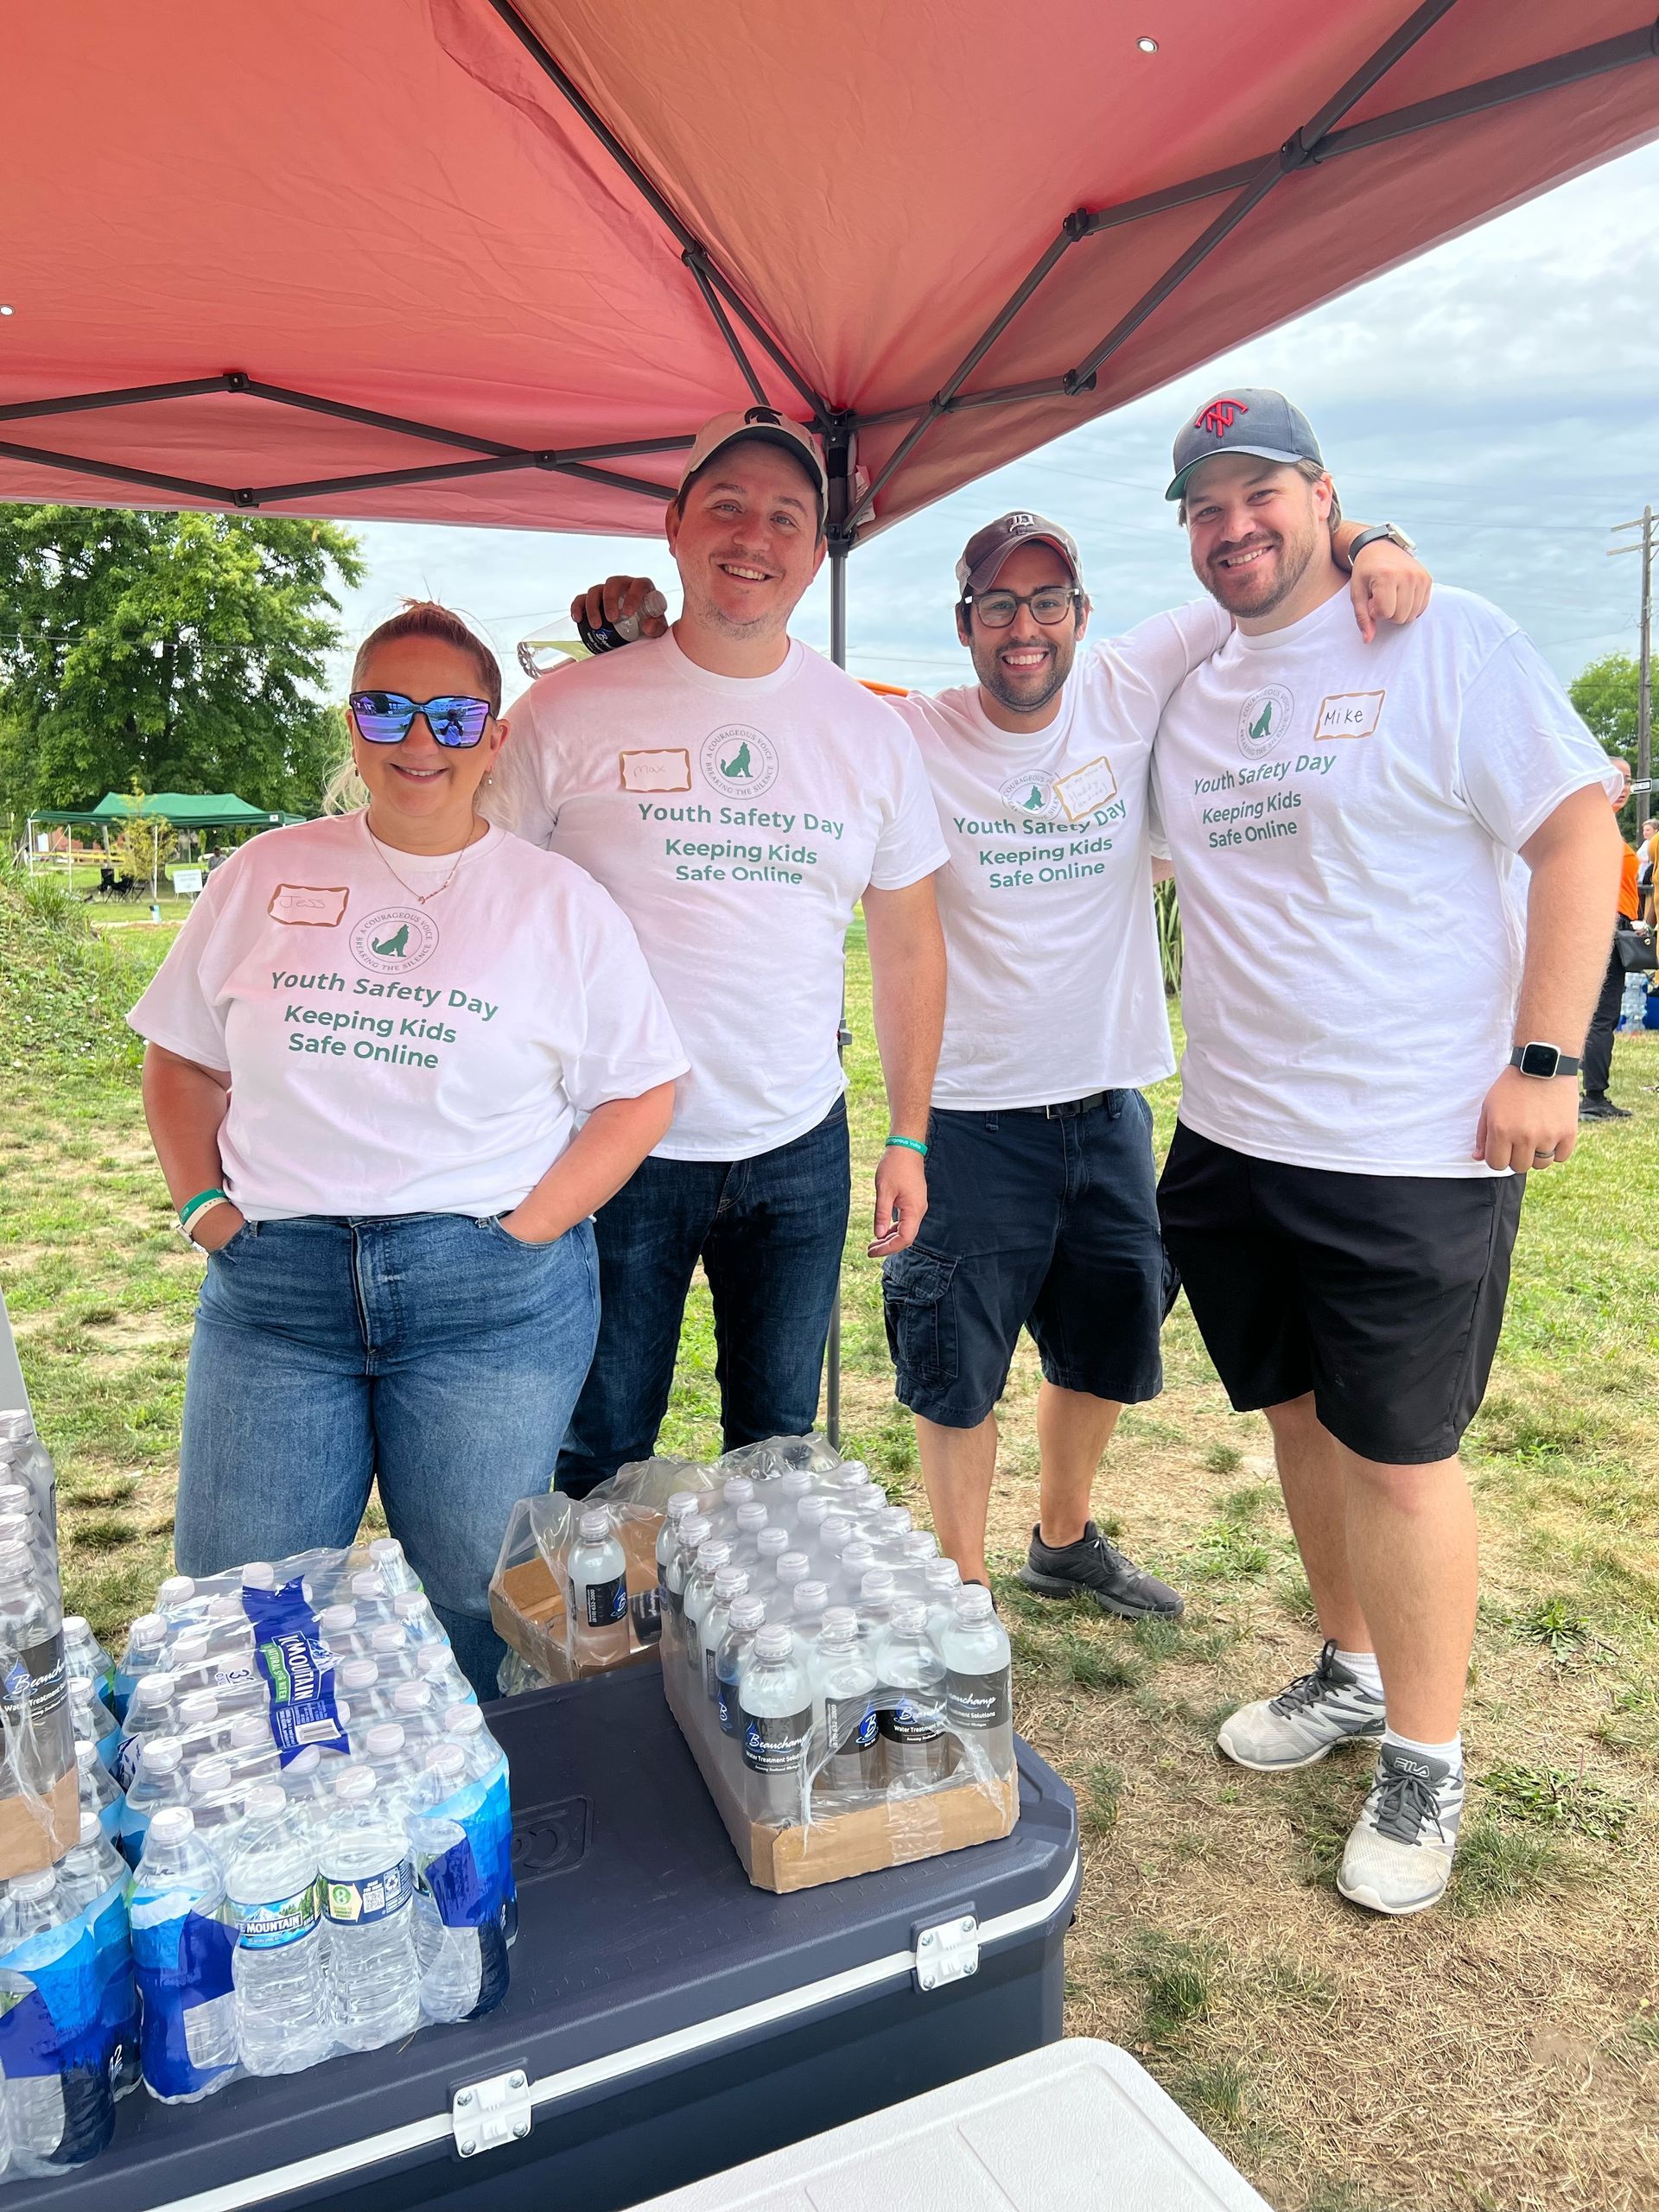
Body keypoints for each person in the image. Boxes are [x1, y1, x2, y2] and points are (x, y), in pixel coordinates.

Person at [571, 507, 1427, 1608]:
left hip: (1107, 1102)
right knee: (954, 1370)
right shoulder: (909, 731)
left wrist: (1378, 540)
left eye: (1047, 602)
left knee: (1104, 1343)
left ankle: (1062, 1540)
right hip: (969, 1114)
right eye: (998, 606)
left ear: (1081, 614)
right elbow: (765, 682)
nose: (1025, 627)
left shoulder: (1132, 679)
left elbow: (1261, 555)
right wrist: (638, 635)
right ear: (965, 624)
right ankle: (963, 1585)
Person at [1150, 389, 1624, 1915]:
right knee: (1296, 1419)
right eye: (1206, 509)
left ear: (1323, 496)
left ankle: (1427, 1758)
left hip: (1412, 1141)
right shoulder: (1193, 683)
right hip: (1232, 1131)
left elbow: (1576, 835)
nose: (1234, 529)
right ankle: (1351, 1671)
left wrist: (1546, 1061)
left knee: (1404, 1456)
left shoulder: (1448, 638)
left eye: (1260, 496)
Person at [130, 601, 688, 1693]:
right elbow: (181, 1059)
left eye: (450, 713)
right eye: (386, 709)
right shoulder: (262, 874)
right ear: (352, 729)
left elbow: (639, 1092)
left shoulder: (556, 902)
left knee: (478, 1603)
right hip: (277, 1296)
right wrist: (205, 1208)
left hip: (485, 1298)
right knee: (246, 1605)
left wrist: (527, 1230)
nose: (417, 739)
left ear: (494, 735)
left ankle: (485, 1826)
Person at [492, 409, 949, 1492]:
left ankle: (750, 1663)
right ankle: (589, 1656)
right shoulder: (566, 710)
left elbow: (911, 946)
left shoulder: (870, 731)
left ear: (817, 549)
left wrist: (912, 1138)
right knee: (599, 1440)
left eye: (788, 515)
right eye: (729, 505)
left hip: (797, 1138)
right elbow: (479, 904)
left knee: (780, 1447)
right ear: (675, 524)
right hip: (613, 1142)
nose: (756, 535)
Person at [1580, 760, 1650, 1120]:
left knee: (1599, 1014)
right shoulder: (1589, 821)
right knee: (1601, 1015)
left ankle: (1592, 1094)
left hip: (1615, 924)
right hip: (1601, 926)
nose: (1624, 786)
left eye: (1628, 780)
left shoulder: (1605, 823)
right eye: (1616, 779)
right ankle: (1592, 1097)